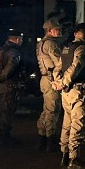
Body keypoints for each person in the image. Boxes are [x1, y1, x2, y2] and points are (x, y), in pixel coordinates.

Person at [53, 23, 85, 169]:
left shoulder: (67, 48)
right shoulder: (82, 49)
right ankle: (75, 158)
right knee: (78, 124)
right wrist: (64, 82)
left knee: (66, 124)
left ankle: (64, 155)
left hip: (66, 92)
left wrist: (58, 83)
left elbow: (58, 68)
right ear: (80, 34)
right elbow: (75, 67)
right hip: (79, 90)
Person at [35, 18, 64, 152]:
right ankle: (50, 141)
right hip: (52, 79)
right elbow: (59, 62)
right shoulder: (51, 44)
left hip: (45, 78)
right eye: (57, 29)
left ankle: (42, 138)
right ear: (50, 30)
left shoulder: (41, 43)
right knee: (52, 110)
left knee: (46, 110)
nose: (60, 31)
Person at [0, 29, 24, 145]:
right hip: (10, 83)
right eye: (21, 39)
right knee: (8, 109)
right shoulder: (14, 52)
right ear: (16, 39)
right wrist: (1, 77)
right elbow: (10, 68)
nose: (22, 41)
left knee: (3, 109)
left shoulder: (0, 50)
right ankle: (5, 137)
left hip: (2, 84)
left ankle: (3, 135)